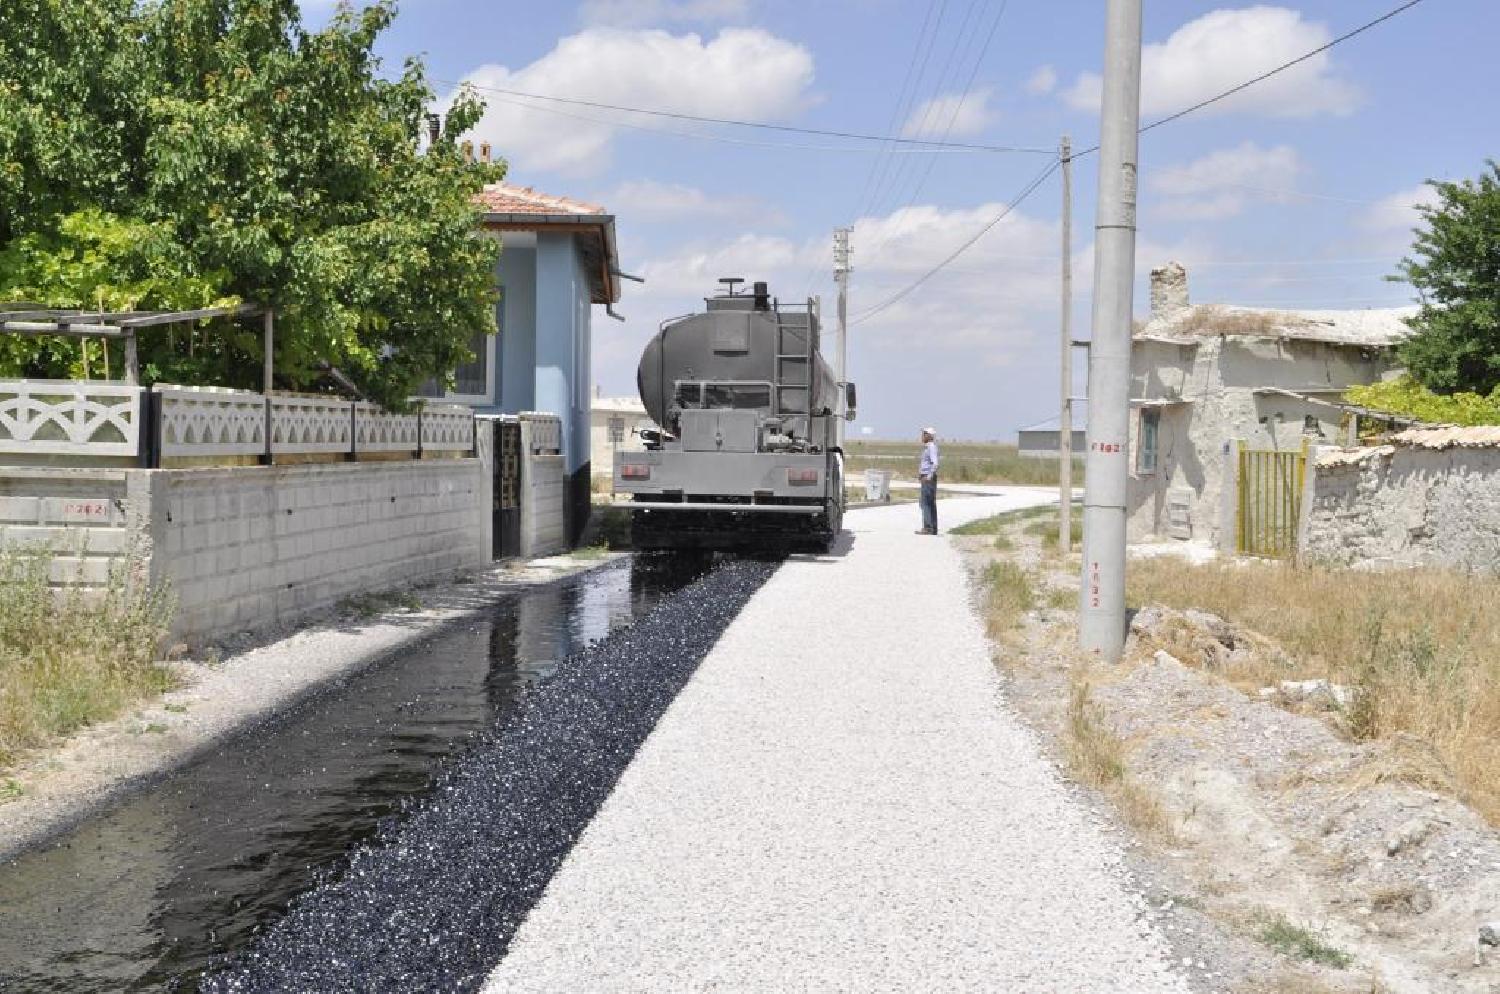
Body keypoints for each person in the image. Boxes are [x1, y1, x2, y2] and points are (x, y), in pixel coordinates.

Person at [917, 427, 939, 535]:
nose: (922, 436)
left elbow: (935, 463)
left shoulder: (931, 447)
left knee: (925, 503)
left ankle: (928, 527)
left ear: (928, 435)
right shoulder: (928, 447)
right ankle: (932, 527)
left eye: (924, 434)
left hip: (928, 478)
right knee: (929, 502)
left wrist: (928, 476)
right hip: (926, 477)